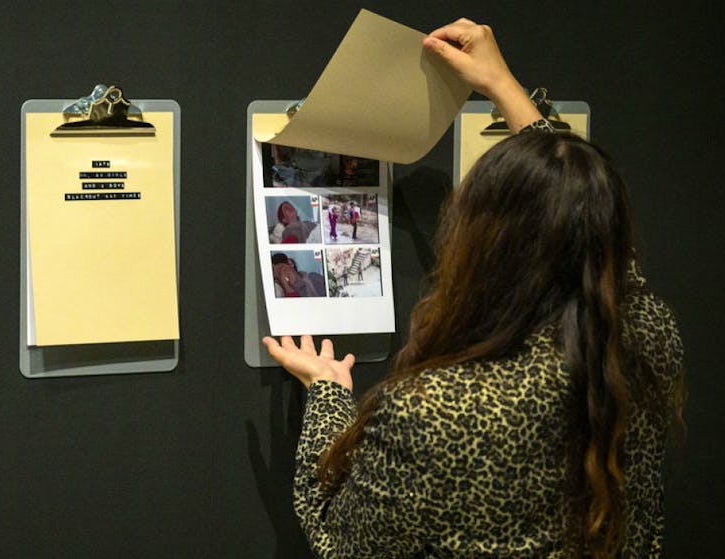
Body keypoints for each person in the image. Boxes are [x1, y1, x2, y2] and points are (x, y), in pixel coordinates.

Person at [262, 18, 683, 559]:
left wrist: (327, 394)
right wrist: (503, 87)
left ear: (477, 246)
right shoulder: (644, 342)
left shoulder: (435, 412)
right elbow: (587, 228)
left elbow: (339, 538)